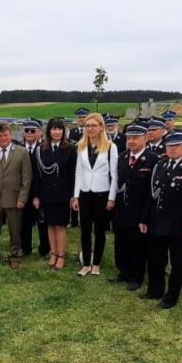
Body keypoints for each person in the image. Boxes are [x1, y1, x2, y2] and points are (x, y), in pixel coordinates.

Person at [139, 131, 182, 309]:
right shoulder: (160, 165)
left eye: (177, 146)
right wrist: (144, 219)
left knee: (177, 264)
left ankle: (171, 297)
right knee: (155, 259)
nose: (173, 149)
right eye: (170, 146)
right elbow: (151, 195)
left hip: (179, 225)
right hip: (157, 221)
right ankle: (155, 290)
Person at [109, 123, 159, 290]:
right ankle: (123, 271)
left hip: (139, 211)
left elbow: (151, 192)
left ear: (145, 138)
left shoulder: (153, 160)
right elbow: (117, 183)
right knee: (121, 243)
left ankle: (136, 276)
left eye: (135, 138)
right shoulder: (121, 158)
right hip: (122, 210)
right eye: (129, 138)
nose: (131, 141)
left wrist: (145, 217)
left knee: (138, 246)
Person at [71, 113, 118, 277]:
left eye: (93, 125)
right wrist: (76, 196)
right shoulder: (81, 145)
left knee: (99, 230)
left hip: (102, 193)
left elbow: (114, 174)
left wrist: (112, 197)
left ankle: (96, 263)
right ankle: (85, 264)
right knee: (84, 229)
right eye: (87, 126)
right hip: (85, 192)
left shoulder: (111, 147)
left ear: (101, 127)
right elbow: (78, 172)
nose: (90, 128)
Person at [0, 121, 32, 270]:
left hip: (14, 199)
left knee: (15, 230)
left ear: (10, 135)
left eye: (5, 135)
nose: (3, 138)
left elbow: (26, 178)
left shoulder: (22, 152)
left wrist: (22, 198)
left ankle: (15, 255)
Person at [31, 117, 77, 269]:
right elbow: (37, 174)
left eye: (59, 129)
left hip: (63, 194)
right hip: (46, 194)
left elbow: (73, 174)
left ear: (63, 131)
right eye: (53, 129)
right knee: (50, 225)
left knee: (60, 225)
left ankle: (61, 255)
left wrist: (73, 195)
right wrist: (36, 195)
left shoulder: (70, 149)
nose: (56, 132)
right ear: (48, 131)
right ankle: (53, 253)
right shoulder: (41, 149)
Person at [20, 119, 50, 257]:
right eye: (27, 130)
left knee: (42, 222)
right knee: (24, 222)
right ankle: (25, 248)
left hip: (41, 191)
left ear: (39, 132)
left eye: (33, 131)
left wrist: (38, 195)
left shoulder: (45, 148)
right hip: (23, 191)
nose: (29, 133)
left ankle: (45, 249)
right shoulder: (18, 148)